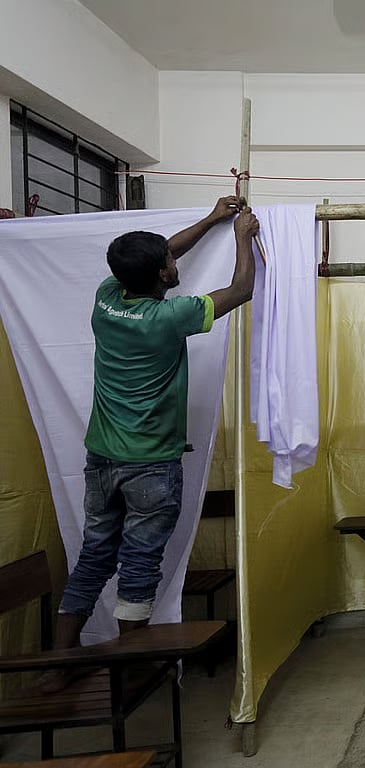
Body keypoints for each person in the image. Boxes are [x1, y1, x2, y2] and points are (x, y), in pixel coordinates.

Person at [46, 196, 259, 672]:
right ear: (163, 275)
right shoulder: (169, 318)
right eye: (168, 259)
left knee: (96, 555)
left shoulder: (107, 298)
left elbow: (161, 251)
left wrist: (211, 220)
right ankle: (134, 666)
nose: (173, 257)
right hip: (150, 465)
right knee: (140, 562)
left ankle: (61, 662)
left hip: (102, 458)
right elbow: (242, 289)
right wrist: (242, 236)